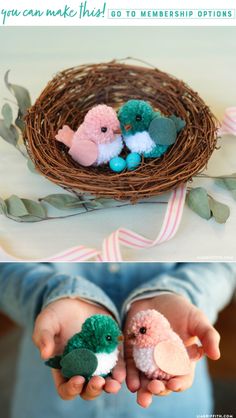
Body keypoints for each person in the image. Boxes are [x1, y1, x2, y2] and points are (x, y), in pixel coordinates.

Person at [0, 262, 235, 418]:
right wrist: (48, 294)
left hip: (173, 407)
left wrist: (184, 293)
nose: (125, 338)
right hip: (47, 401)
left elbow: (224, 259)